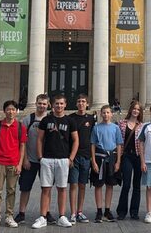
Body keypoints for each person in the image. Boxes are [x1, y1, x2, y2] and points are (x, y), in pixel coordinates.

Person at [31, 94, 79, 229]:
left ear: (65, 105)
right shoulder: (46, 120)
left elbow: (76, 140)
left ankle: (62, 216)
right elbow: (39, 139)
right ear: (52, 105)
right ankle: (43, 217)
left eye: (61, 103)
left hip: (63, 159)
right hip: (47, 158)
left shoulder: (70, 121)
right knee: (45, 189)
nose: (59, 106)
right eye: (57, 103)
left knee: (62, 189)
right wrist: (40, 157)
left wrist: (71, 158)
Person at [0, 100, 27, 229]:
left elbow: (22, 147)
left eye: (13, 109)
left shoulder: (21, 127)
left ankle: (9, 216)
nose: (11, 112)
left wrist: (20, 164)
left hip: (13, 163)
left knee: (11, 191)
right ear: (4, 111)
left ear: (16, 111)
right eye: (8, 109)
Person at [15, 94, 50, 224]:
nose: (42, 106)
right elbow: (22, 142)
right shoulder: (27, 120)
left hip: (45, 160)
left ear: (48, 105)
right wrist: (24, 159)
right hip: (29, 160)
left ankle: (46, 213)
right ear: (35, 103)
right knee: (25, 188)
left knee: (46, 188)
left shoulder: (51, 119)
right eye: (40, 103)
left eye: (44, 104)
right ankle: (21, 213)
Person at [90, 105, 123, 223]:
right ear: (100, 114)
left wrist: (118, 161)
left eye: (108, 112)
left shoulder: (116, 128)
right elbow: (93, 145)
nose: (106, 115)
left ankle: (107, 210)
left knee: (110, 185)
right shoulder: (96, 128)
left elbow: (119, 145)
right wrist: (93, 161)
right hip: (100, 158)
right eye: (104, 113)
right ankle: (99, 210)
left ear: (111, 114)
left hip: (112, 158)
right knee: (98, 185)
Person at [68, 94, 95, 224]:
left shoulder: (91, 119)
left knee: (82, 185)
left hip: (86, 156)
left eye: (83, 101)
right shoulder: (70, 118)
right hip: (74, 156)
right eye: (79, 101)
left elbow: (93, 139)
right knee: (73, 184)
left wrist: (92, 158)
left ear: (87, 104)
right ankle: (73, 213)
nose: (81, 103)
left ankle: (80, 211)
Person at [116, 100, 144, 220]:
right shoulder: (122, 123)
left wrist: (144, 160)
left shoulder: (142, 125)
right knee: (126, 184)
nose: (136, 111)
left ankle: (134, 211)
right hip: (126, 155)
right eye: (134, 108)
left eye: (138, 109)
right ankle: (121, 211)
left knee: (137, 185)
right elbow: (118, 142)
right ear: (130, 109)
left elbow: (144, 143)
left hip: (138, 156)